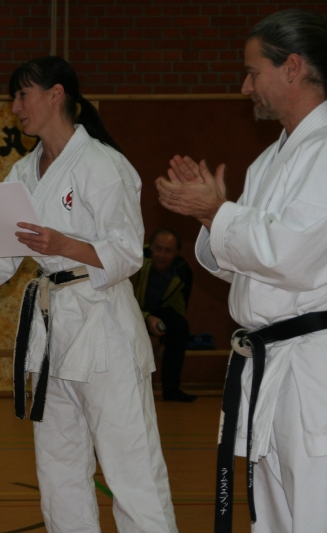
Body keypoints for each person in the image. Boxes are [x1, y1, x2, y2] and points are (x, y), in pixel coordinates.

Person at [0, 57, 178, 533]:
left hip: (103, 324)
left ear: (56, 94)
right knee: (59, 468)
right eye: (13, 98)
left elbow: (127, 251)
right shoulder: (23, 171)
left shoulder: (103, 164)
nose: (15, 107)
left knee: (131, 467)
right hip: (51, 329)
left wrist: (65, 245)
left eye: (23, 95)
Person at [156, 9, 327, 533]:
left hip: (312, 367)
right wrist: (212, 216)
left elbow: (290, 256)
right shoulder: (268, 161)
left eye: (253, 72)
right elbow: (249, 268)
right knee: (272, 518)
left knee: (315, 512)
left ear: (292, 67)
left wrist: (217, 212)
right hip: (271, 362)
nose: (245, 86)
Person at [130, 228, 197, 402]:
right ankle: (129, 387)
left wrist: (165, 342)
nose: (161, 255)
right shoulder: (135, 262)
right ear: (150, 247)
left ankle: (171, 388)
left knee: (180, 325)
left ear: (176, 253)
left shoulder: (182, 272)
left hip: (159, 311)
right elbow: (124, 301)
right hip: (132, 310)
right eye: (158, 248)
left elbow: (179, 309)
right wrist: (146, 317)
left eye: (168, 250)